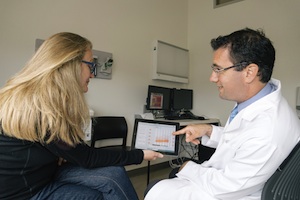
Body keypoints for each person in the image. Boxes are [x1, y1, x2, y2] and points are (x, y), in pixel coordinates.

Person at [0, 32, 163, 200]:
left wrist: (58, 154)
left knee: (114, 173)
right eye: (90, 66)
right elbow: (87, 157)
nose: (92, 74)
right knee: (94, 195)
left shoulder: (37, 96)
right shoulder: (42, 106)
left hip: (42, 172)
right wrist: (141, 155)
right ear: (70, 65)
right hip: (25, 192)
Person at [144, 28, 300, 200]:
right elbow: (242, 139)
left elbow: (229, 186)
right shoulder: (259, 102)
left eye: (218, 69)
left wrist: (188, 167)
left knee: (156, 188)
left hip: (230, 192)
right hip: (235, 180)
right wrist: (209, 130)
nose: (212, 77)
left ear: (249, 72)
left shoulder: (269, 127)